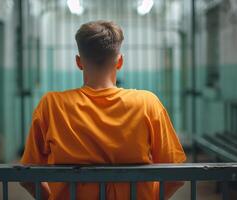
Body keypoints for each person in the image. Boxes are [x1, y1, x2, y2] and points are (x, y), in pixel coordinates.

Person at [20, 20, 186, 200]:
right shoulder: (147, 103)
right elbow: (175, 176)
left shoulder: (52, 105)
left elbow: (28, 176)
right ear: (120, 61)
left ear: (79, 62)